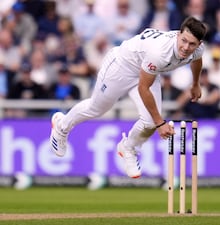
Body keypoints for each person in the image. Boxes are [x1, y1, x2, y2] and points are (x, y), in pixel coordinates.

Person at [50, 16, 207, 179]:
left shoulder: (197, 50)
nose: (186, 47)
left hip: (147, 71)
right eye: (184, 41)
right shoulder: (160, 53)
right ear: (178, 35)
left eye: (192, 44)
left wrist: (195, 84)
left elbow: (197, 60)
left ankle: (128, 148)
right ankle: (62, 125)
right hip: (121, 66)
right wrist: (160, 123)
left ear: (199, 45)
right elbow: (143, 88)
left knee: (149, 122)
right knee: (96, 109)